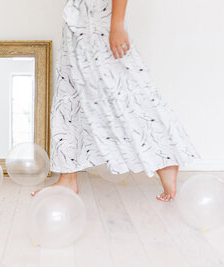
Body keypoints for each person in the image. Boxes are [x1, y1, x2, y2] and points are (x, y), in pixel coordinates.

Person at [32, 0, 201, 202]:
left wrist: (117, 24)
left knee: (122, 88)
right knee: (70, 94)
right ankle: (67, 177)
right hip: (79, 16)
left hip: (97, 18)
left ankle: (165, 158)